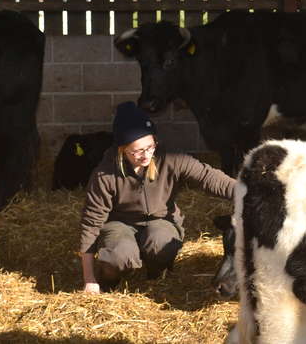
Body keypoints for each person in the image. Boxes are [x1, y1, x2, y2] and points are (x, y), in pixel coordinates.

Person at [79, 101, 236, 293]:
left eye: (150, 147)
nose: (146, 155)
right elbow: (91, 225)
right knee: (119, 256)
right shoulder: (105, 174)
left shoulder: (169, 159)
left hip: (160, 220)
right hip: (119, 223)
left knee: (162, 243)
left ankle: (155, 272)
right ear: (122, 149)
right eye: (137, 151)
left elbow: (208, 177)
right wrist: (89, 279)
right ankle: (110, 280)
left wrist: (249, 193)